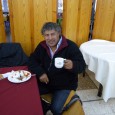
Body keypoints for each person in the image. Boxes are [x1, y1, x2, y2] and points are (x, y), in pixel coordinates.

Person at [28, 22, 86, 115]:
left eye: (52, 34)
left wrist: (73, 65)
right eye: (47, 35)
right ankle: (46, 105)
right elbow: (32, 60)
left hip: (64, 85)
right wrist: (41, 73)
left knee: (56, 109)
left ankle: (72, 98)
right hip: (46, 83)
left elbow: (82, 66)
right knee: (29, 95)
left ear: (59, 33)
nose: (50, 38)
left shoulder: (70, 46)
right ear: (43, 36)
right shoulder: (42, 46)